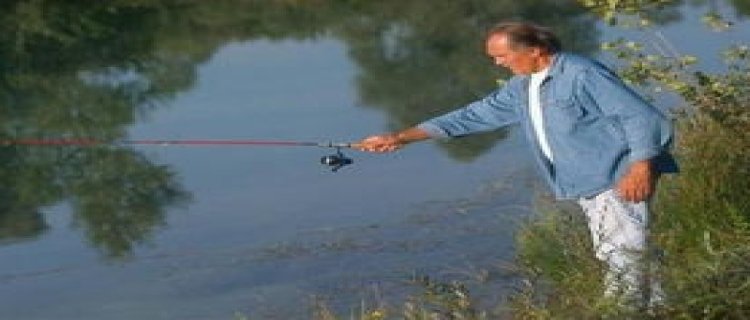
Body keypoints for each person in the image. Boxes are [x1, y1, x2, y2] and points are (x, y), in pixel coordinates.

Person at [355, 21, 677, 304]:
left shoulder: (581, 74)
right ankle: (663, 307)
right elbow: (472, 116)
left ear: (535, 50)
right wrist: (400, 137)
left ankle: (622, 311)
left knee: (622, 254)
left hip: (617, 176)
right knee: (627, 251)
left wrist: (640, 168)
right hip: (586, 180)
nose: (498, 64)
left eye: (502, 56)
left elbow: (641, 117)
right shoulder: (523, 86)